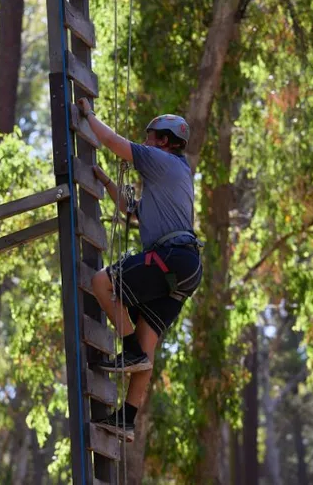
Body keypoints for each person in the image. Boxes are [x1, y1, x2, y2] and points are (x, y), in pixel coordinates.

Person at [76, 98, 203, 442]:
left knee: (102, 281)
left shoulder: (162, 160)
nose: (145, 142)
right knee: (148, 352)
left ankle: (129, 346)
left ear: (163, 140)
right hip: (185, 268)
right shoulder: (173, 177)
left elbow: (115, 143)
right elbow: (132, 210)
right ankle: (126, 420)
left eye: (149, 137)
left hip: (171, 257)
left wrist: (88, 114)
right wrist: (103, 179)